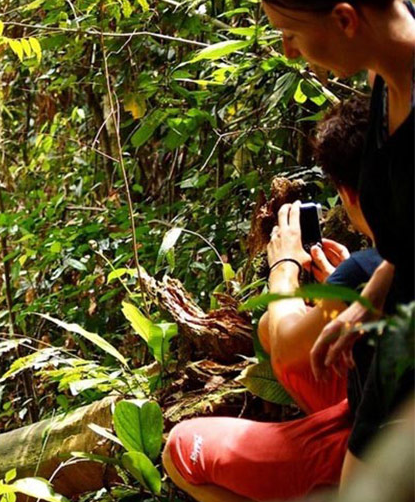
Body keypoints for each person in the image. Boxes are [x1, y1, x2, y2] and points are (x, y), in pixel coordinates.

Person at [254, 0, 414, 480]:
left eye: (291, 34)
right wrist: (364, 299)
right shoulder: (383, 81)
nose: (289, 52)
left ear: (345, 19)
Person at [162, 98, 380, 502]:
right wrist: (339, 285)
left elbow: (285, 349)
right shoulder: (379, 270)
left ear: (348, 192)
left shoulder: (374, 269)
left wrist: (282, 266)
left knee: (182, 448)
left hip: (381, 456)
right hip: (388, 408)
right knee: (270, 326)